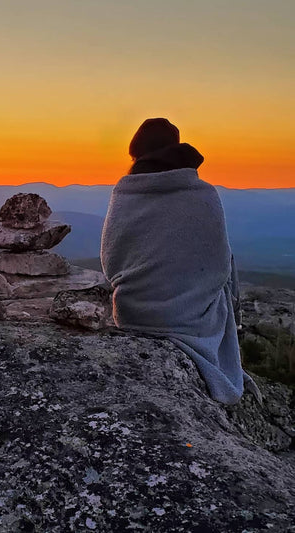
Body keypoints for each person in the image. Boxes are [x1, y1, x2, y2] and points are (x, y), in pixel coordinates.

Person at [100, 118, 260, 405]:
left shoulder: (124, 193)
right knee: (228, 268)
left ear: (135, 154)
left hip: (131, 314)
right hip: (190, 321)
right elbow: (220, 268)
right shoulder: (204, 195)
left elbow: (111, 264)